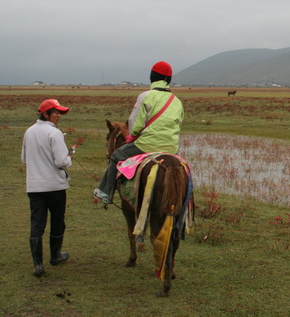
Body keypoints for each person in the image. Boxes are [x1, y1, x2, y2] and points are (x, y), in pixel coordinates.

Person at [93, 61, 184, 204]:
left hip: (147, 145)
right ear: (169, 80)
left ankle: (106, 192)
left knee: (117, 155)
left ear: (152, 78)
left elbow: (134, 125)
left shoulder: (145, 96)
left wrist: (134, 134)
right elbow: (178, 123)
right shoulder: (177, 101)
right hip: (171, 148)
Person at [22, 99, 73, 277]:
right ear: (45, 114)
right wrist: (69, 157)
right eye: (56, 112)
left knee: (37, 224)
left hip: (34, 186)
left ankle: (38, 265)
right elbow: (61, 162)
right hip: (54, 186)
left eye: (59, 112)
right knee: (57, 221)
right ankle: (55, 256)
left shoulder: (28, 131)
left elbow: (25, 159)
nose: (59, 116)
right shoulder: (55, 133)